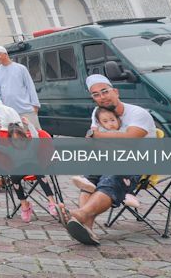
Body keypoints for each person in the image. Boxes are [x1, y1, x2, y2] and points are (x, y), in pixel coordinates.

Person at [64, 74, 156, 246]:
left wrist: (98, 135)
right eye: (96, 94)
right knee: (89, 178)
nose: (101, 97)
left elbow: (130, 138)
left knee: (111, 177)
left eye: (104, 91)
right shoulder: (97, 113)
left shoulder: (138, 113)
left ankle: (81, 215)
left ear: (116, 91)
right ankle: (87, 228)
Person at [2, 122, 57, 222]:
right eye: (14, 139)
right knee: (14, 177)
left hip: (34, 168)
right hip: (20, 170)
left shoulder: (31, 144)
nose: (18, 141)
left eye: (20, 138)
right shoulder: (10, 148)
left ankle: (52, 202)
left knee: (39, 172)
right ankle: (24, 205)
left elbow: (36, 135)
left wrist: (29, 124)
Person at [0, 46, 41, 132]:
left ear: (5, 54)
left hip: (26, 109)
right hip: (8, 111)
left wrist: (35, 105)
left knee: (33, 134)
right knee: (15, 137)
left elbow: (30, 86)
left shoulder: (21, 68)